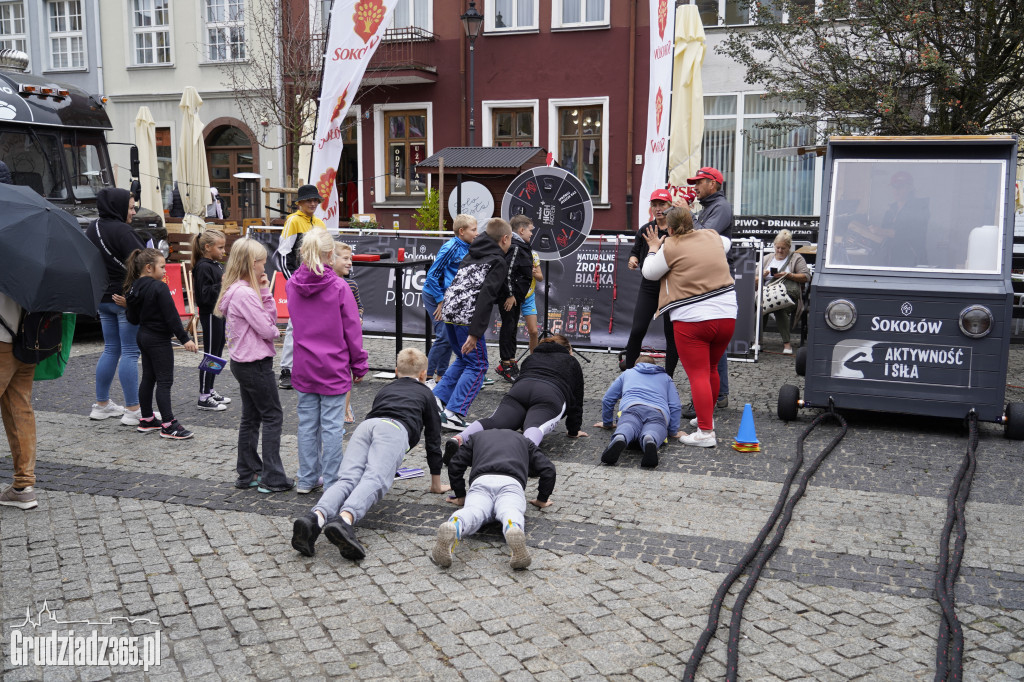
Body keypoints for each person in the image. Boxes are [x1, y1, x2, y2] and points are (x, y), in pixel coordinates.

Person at [290, 349, 450, 561]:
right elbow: (433, 440)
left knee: (347, 478)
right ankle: (345, 520)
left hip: (367, 426)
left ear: (395, 371)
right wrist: (436, 484)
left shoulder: (385, 389)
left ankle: (315, 518)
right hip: (394, 429)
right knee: (376, 478)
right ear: (423, 375)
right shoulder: (427, 394)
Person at [642, 206, 736, 448]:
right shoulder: (714, 236)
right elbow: (726, 244)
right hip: (726, 313)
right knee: (712, 368)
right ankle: (707, 419)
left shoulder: (670, 246)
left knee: (699, 374)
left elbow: (649, 273)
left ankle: (706, 433)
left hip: (692, 317)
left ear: (670, 229)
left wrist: (653, 248)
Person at [287, 228, 368, 495]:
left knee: (308, 424)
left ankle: (307, 477)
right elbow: (352, 330)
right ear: (330, 255)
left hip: (304, 364)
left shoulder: (292, 284)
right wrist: (359, 364)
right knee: (333, 427)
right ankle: (333, 481)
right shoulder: (339, 287)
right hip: (333, 365)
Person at [216, 238, 294, 493]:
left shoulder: (239, 289)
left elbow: (267, 317)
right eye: (261, 262)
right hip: (255, 363)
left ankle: (247, 472)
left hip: (244, 362)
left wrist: (265, 292)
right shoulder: (244, 294)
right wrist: (275, 332)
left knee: (251, 418)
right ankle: (272, 477)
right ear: (252, 263)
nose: (264, 267)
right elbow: (267, 328)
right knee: (273, 415)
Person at [443, 335, 586, 461]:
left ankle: (460, 439)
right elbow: (577, 400)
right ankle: (521, 453)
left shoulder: (532, 357)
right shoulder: (572, 362)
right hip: (549, 394)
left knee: (494, 421)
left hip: (520, 391)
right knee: (535, 426)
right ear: (568, 350)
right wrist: (573, 431)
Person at [431, 429, 555, 570]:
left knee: (474, 511)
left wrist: (460, 495)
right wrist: (542, 499)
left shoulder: (476, 437)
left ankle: (454, 524)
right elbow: (548, 469)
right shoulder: (524, 441)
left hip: (481, 481)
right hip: (511, 483)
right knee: (510, 510)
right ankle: (513, 527)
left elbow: (455, 463)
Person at [433, 219, 513, 431]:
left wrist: (509, 295)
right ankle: (454, 413)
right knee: (478, 365)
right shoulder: (498, 261)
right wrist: (476, 333)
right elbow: (486, 296)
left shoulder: (473, 251)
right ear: (504, 239)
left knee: (462, 358)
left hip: (450, 310)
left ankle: (436, 401)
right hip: (467, 317)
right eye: (511, 239)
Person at [87, 188, 148, 424]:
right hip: (125, 299)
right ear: (118, 207)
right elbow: (144, 264)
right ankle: (133, 410)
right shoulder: (124, 230)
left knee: (111, 349)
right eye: (130, 207)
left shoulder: (93, 227)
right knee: (131, 352)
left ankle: (101, 405)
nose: (132, 212)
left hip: (103, 297)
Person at [124, 248, 199, 439]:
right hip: (158, 339)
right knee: (165, 381)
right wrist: (185, 339)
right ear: (149, 268)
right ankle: (168, 424)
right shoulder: (159, 287)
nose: (166, 270)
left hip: (143, 336)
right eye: (163, 266)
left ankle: (147, 419)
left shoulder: (133, 287)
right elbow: (171, 316)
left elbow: (132, 318)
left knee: (148, 378)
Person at [687, 166, 735, 416]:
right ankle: (717, 394)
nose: (694, 187)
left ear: (713, 184)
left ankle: (712, 397)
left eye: (699, 182)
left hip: (714, 282)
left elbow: (704, 238)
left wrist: (688, 215)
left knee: (709, 342)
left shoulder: (722, 207)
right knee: (711, 342)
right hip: (706, 278)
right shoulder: (708, 207)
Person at [275, 184, 326, 390]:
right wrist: (294, 282)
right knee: (294, 326)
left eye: (315, 200)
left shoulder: (320, 223)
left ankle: (310, 368)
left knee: (317, 327)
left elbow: (324, 255)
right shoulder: (293, 221)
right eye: (308, 200)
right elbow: (284, 254)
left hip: (318, 283)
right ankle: (286, 370)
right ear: (300, 203)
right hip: (299, 282)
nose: (313, 203)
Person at [622, 189, 678, 376]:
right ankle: (629, 374)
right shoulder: (645, 229)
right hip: (649, 285)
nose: (658, 208)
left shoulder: (676, 231)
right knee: (637, 330)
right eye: (654, 205)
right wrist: (633, 259)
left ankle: (668, 377)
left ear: (670, 206)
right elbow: (635, 251)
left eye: (662, 204)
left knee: (672, 335)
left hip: (672, 286)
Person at [421, 214, 478, 387]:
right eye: (473, 230)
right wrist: (440, 300)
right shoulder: (451, 247)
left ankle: (441, 376)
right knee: (444, 336)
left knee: (449, 337)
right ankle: (426, 378)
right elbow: (431, 275)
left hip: (450, 298)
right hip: (435, 295)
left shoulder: (470, 246)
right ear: (461, 231)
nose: (477, 233)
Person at [596, 355, 681, 469]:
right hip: (657, 411)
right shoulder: (666, 378)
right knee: (654, 427)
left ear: (636, 365)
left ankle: (621, 436)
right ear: (654, 366)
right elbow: (675, 406)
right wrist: (673, 431)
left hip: (632, 408)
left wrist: (607, 423)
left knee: (629, 424)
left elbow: (608, 399)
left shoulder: (628, 373)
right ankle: (649, 438)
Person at [0, 290, 38, 509]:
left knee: (20, 410)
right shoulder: (33, 265)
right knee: (20, 410)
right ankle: (23, 487)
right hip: (27, 342)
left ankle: (23, 486)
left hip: (2, 340)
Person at [191, 228, 232, 411]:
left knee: (217, 353)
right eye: (220, 247)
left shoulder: (216, 264)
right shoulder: (203, 266)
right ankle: (204, 395)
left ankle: (210, 388)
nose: (224, 251)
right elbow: (204, 296)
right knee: (210, 355)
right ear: (207, 247)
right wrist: (222, 284)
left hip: (219, 314)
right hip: (209, 314)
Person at [495, 215, 537, 382]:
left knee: (512, 328)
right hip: (508, 297)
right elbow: (508, 272)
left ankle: (511, 362)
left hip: (517, 297)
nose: (532, 234)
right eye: (530, 230)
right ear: (521, 230)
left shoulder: (522, 246)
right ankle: (505, 364)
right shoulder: (515, 247)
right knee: (508, 327)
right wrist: (511, 295)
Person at [759, 230, 811, 355]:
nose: (780, 251)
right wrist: (762, 274)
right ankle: (757, 341)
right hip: (767, 294)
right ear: (774, 246)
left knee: (778, 306)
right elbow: (754, 280)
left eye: (783, 248)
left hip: (789, 297)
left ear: (789, 247)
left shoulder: (796, 258)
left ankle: (784, 343)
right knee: (763, 305)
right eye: (777, 248)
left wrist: (789, 275)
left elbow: (806, 277)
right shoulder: (767, 258)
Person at [332, 242, 363, 424]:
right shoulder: (328, 285)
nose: (350, 262)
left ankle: (345, 408)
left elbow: (360, 306)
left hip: (349, 338)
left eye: (350, 258)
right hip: (336, 339)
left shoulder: (351, 285)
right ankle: (341, 409)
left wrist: (358, 316)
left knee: (346, 374)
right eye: (345, 258)